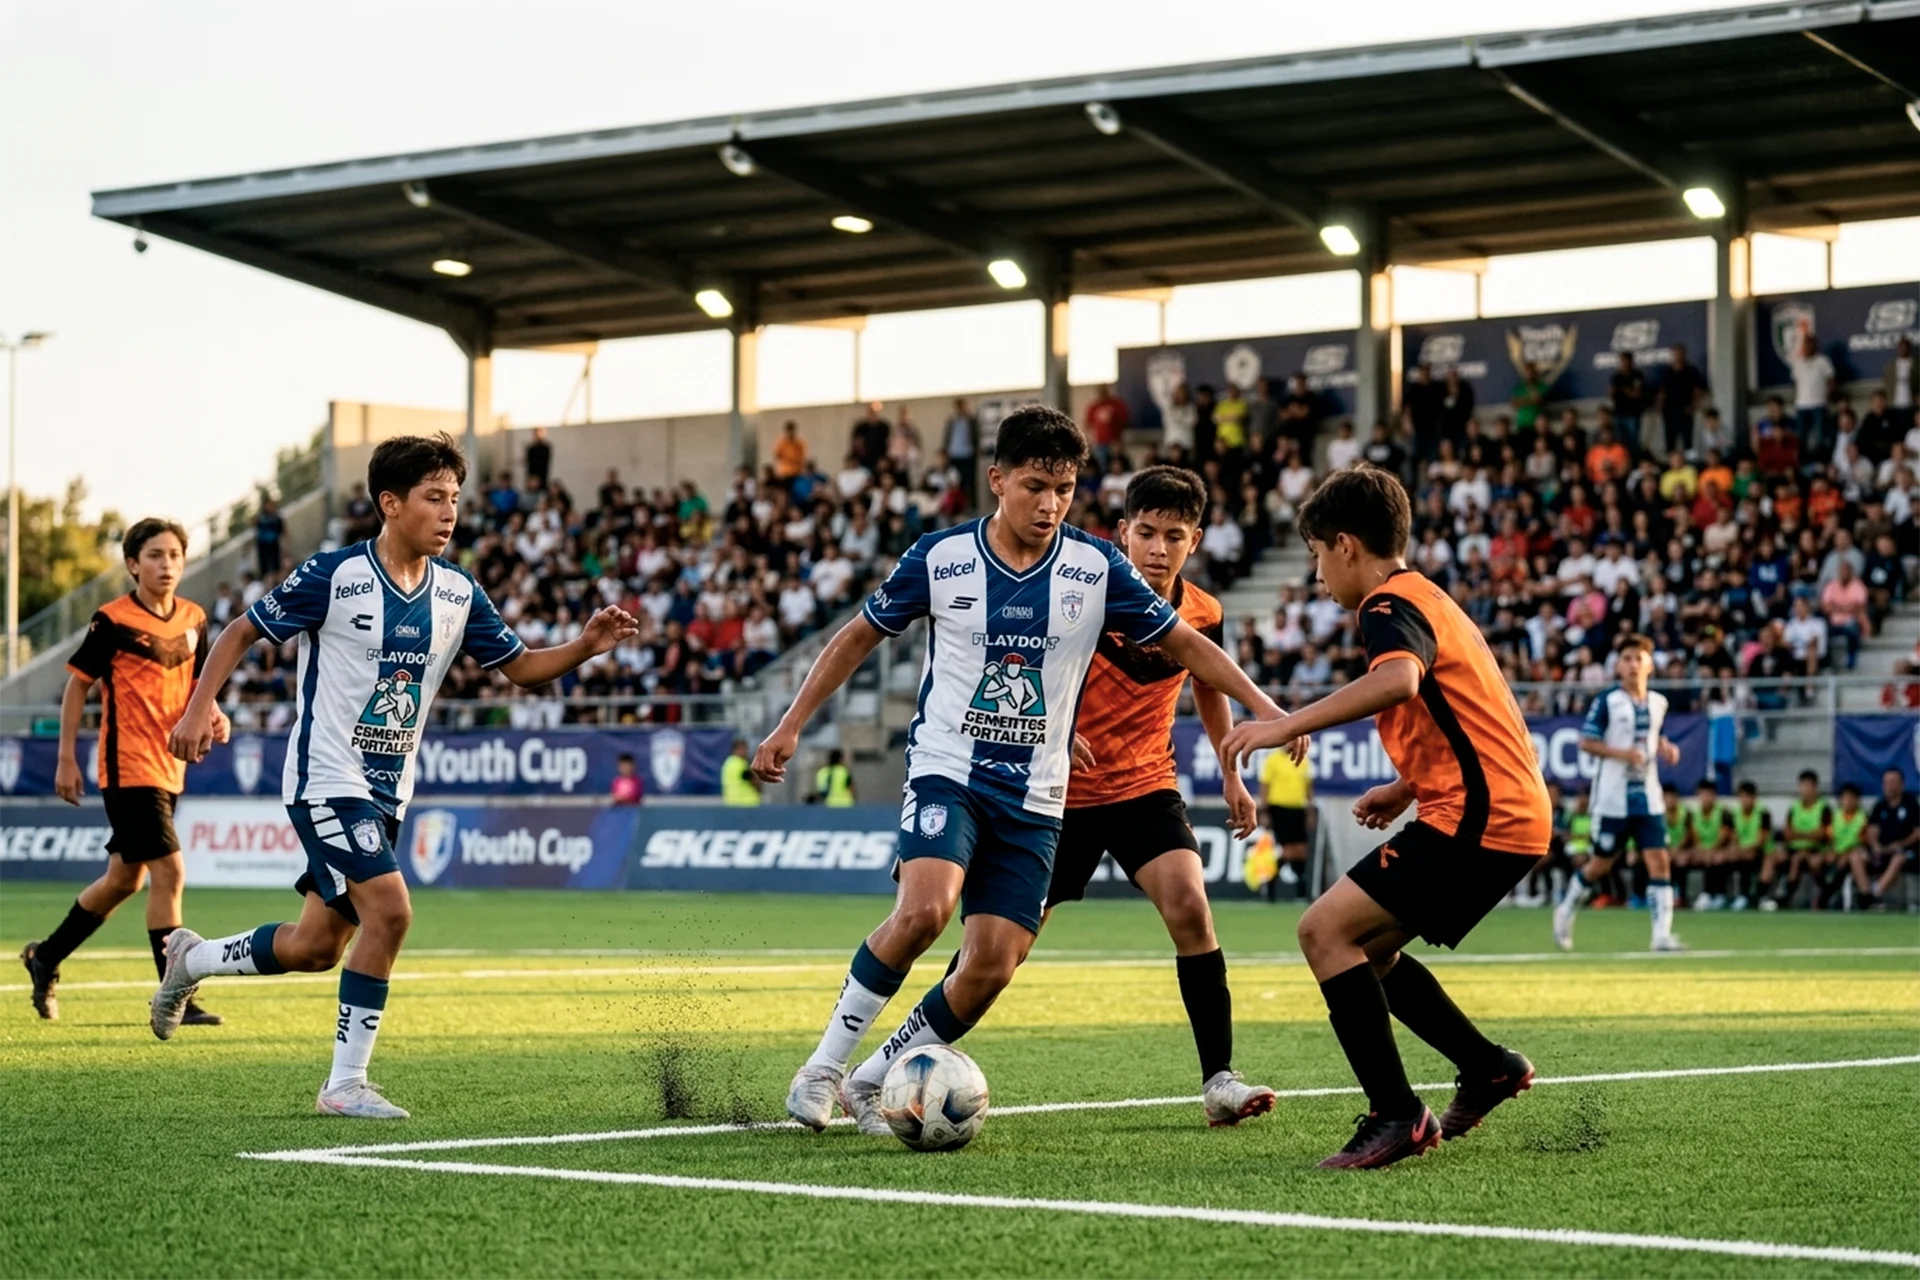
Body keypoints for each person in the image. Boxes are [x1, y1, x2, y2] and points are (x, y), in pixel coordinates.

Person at [758, 405, 1284, 1135]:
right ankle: (820, 1071)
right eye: (1036, 485)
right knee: (924, 911)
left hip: (1040, 796)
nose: (1050, 504)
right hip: (950, 771)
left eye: (1064, 490)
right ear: (997, 479)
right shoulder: (940, 558)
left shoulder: (1095, 569)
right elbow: (857, 637)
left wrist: (1267, 708)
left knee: (991, 966)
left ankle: (873, 1081)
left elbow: (1190, 648)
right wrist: (790, 725)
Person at [148, 432, 639, 1120]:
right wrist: (200, 708)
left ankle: (191, 962)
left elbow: (521, 667)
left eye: (455, 500)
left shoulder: (457, 593)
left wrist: (586, 645)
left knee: (316, 946)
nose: (449, 513)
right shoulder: (335, 575)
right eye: (434, 498)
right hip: (326, 778)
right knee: (393, 911)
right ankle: (344, 1085)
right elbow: (239, 631)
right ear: (390, 503)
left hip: (387, 792)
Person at [1219, 464, 1551, 1170]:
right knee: (1369, 950)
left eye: (1315, 557)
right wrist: (1406, 785)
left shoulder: (1385, 604)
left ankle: (1397, 1113)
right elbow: (1466, 711)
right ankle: (1487, 1066)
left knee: (1323, 931)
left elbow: (1398, 680)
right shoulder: (1429, 595)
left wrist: (1282, 725)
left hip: (1482, 816)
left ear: (1345, 546)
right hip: (1504, 809)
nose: (1316, 577)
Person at [19, 519, 230, 1025]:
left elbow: (198, 683)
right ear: (133, 564)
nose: (167, 565)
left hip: (169, 767)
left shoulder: (195, 618)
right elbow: (78, 687)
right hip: (128, 766)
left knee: (123, 880)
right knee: (170, 871)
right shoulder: (111, 620)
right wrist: (66, 757)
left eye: (175, 555)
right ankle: (173, 991)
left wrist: (213, 712)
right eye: (155, 555)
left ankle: (44, 957)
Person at [1553, 636, 1685, 952]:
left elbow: (1650, 736)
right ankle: (1566, 909)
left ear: (1650, 665)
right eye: (1626, 658)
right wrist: (1622, 754)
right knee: (1600, 864)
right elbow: (1586, 742)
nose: (1632, 665)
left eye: (1639, 658)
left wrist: (1664, 746)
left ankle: (1661, 937)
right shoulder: (1607, 701)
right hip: (1613, 798)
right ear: (1618, 665)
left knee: (1659, 861)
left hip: (1648, 797)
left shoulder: (1658, 702)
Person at [1761, 770, 1831, 910]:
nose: (1804, 790)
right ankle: (1760, 895)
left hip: (1815, 850)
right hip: (1793, 848)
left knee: (1801, 860)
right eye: (1802, 786)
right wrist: (1808, 834)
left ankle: (1790, 896)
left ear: (1815, 787)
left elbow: (1822, 834)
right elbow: (1787, 834)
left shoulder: (1824, 808)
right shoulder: (1794, 808)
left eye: (1808, 786)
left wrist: (1799, 834)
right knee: (1772, 857)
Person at [1852, 767, 1920, 907]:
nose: (1889, 786)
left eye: (1893, 782)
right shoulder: (1880, 805)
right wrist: (1876, 845)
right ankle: (1865, 893)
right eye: (1886, 782)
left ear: (1901, 784)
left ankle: (1875, 893)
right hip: (1882, 850)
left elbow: (1917, 832)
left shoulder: (1911, 804)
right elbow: (1872, 829)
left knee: (1899, 858)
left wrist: (1901, 844)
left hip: (1904, 850)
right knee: (1856, 856)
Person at [1259, 725, 1313, 900]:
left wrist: (1310, 811)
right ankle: (1272, 886)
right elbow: (1265, 787)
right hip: (1279, 809)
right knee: (1288, 850)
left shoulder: (1304, 761)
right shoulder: (1273, 760)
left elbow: (1308, 788)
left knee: (1301, 851)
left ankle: (1299, 890)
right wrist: (1264, 811)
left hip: (1298, 809)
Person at [1788, 331, 1837, 460]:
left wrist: (1827, 397)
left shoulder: (1823, 361)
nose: (1807, 347)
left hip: (1819, 404)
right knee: (1801, 437)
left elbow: (1831, 382)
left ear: (1815, 346)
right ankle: (1803, 462)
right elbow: (1794, 383)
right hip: (1801, 405)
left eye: (1810, 344)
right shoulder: (1797, 363)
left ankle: (1821, 462)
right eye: (1805, 344)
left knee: (1821, 437)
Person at [1654, 344, 1708, 457]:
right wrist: (1659, 405)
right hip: (1669, 409)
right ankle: (1671, 459)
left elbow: (1698, 389)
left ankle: (1689, 458)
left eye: (1681, 354)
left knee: (1687, 436)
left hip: (1685, 409)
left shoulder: (1691, 371)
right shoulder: (1667, 371)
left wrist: (1693, 405)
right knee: (1670, 436)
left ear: (1685, 355)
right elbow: (1662, 391)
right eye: (1676, 354)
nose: (1678, 356)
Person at [1085, 385, 1130, 472]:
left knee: (1117, 464)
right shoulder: (1094, 407)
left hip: (1114, 442)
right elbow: (1088, 425)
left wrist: (1119, 440)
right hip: (1100, 443)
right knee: (1102, 466)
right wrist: (1091, 440)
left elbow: (1125, 422)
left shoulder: (1117, 405)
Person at [944, 399, 978, 508]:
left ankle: (972, 506)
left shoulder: (970, 421)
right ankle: (957, 506)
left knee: (970, 481)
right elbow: (947, 438)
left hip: (967, 454)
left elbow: (975, 436)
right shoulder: (952, 421)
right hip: (955, 455)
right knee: (956, 482)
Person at [721, 738, 760, 806]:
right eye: (743, 749)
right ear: (735, 750)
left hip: (731, 802)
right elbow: (753, 781)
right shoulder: (741, 764)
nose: (746, 751)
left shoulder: (727, 763)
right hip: (747, 803)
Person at [254, 496, 285, 579]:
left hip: (274, 544)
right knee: (265, 567)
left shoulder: (277, 518)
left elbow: (282, 530)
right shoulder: (261, 518)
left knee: (276, 565)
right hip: (263, 546)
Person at [772, 420, 808, 486]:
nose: (790, 433)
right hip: (785, 473)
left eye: (792, 430)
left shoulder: (800, 443)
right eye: (789, 430)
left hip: (797, 472)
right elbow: (777, 456)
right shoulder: (781, 443)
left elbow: (802, 458)